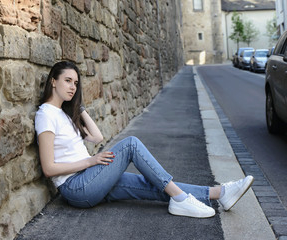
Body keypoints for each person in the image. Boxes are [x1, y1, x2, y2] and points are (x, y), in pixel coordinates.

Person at [35, 61, 254, 218]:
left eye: (75, 83)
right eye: (67, 81)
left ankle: (219, 194)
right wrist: (91, 162)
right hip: (76, 187)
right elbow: (49, 169)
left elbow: (96, 136)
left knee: (147, 184)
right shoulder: (46, 114)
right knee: (130, 144)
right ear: (53, 82)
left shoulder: (63, 113)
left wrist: (78, 106)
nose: (73, 86)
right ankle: (181, 201)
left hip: (90, 179)